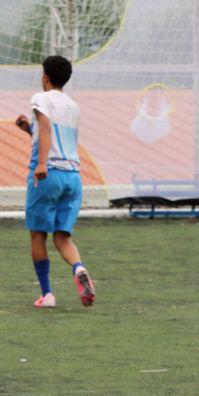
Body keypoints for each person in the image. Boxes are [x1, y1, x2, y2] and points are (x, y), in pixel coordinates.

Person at [15, 55, 95, 309]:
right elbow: (54, 135)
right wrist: (30, 129)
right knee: (62, 237)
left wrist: (41, 164)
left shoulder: (41, 98)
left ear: (45, 77)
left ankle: (47, 294)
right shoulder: (73, 106)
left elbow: (47, 128)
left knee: (38, 234)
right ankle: (78, 268)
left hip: (48, 174)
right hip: (73, 176)